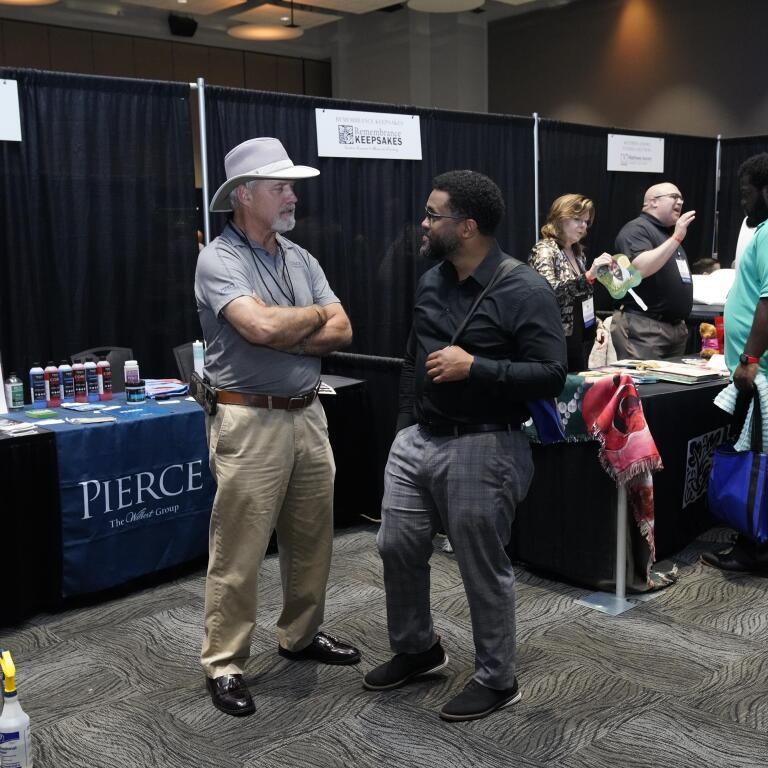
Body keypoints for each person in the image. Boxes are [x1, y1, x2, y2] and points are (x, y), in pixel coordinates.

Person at [363, 170, 566, 722]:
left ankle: (497, 679)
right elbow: (413, 359)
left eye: (434, 215)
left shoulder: (525, 289)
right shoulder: (432, 281)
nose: (424, 223)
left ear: (468, 226)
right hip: (418, 439)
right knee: (396, 546)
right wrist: (404, 428)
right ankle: (418, 649)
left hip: (486, 444)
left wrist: (476, 366)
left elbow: (552, 375)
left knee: (481, 565)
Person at [195, 137, 360, 717]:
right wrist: (311, 317)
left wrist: (289, 327)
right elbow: (259, 328)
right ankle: (225, 662)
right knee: (239, 550)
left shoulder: (300, 257)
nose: (293, 196)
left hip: (308, 413)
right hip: (248, 419)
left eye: (292, 186)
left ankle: (300, 635)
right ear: (244, 195)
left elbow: (343, 330)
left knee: (312, 539)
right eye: (281, 187)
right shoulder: (219, 258)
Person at [702, 152, 768, 572]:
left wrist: (749, 358)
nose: (743, 203)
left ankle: (754, 548)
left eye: (746, 193)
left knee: (755, 460)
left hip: (760, 374)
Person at [611, 182, 696, 359]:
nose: (680, 202)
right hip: (645, 328)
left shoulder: (667, 234)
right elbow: (639, 269)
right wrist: (677, 237)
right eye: (674, 197)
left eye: (681, 198)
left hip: (675, 329)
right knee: (643, 377)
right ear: (653, 202)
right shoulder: (637, 229)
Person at [528, 194, 613, 371]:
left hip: (578, 340)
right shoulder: (544, 249)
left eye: (586, 221)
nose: (583, 226)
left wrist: (597, 325)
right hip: (553, 340)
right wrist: (588, 276)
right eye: (577, 220)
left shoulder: (578, 253)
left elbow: (580, 300)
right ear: (560, 219)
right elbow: (549, 293)